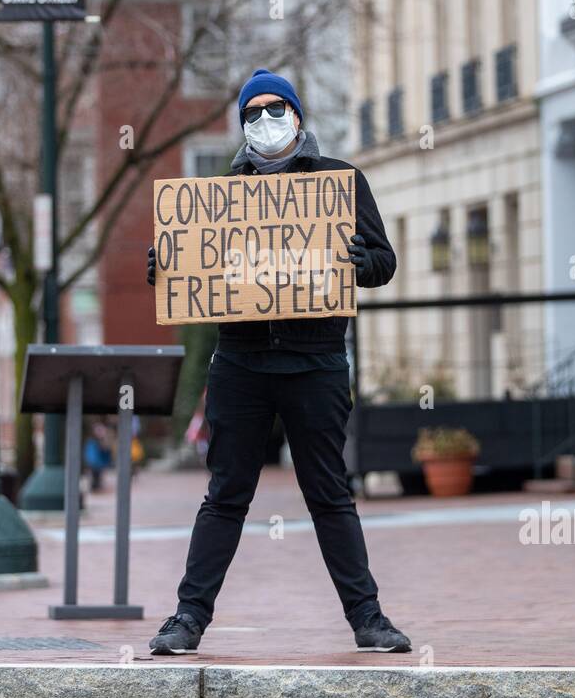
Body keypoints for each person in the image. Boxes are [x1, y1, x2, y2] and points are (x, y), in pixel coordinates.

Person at [144, 68, 411, 655]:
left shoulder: (341, 182)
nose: (264, 120)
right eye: (252, 112)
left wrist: (355, 260)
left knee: (328, 491)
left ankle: (368, 619)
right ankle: (187, 619)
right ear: (242, 124)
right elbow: (195, 269)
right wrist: (167, 266)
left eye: (275, 108)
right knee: (225, 493)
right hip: (240, 363)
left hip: (315, 361)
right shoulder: (218, 195)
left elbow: (383, 263)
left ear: (296, 114)